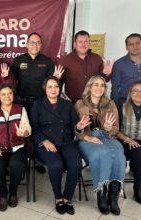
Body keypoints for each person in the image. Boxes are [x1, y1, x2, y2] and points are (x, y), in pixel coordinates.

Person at [30, 76, 85, 215]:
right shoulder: (37, 105)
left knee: (76, 164)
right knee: (56, 165)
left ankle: (67, 197)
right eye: (50, 87)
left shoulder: (67, 104)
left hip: (66, 141)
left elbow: (75, 125)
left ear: (60, 89)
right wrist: (44, 141)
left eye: (56, 86)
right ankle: (58, 197)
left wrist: (79, 127)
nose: (53, 89)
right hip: (45, 142)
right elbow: (33, 127)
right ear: (45, 89)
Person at [11, 32, 63, 174]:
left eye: (37, 42)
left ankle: (36, 158)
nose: (34, 45)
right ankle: (21, 159)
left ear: (41, 45)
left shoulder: (47, 62)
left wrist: (56, 78)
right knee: (21, 130)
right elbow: (12, 82)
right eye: (32, 42)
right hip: (21, 102)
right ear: (27, 44)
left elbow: (52, 84)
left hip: (40, 103)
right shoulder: (18, 61)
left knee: (37, 130)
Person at [75, 75, 125, 215]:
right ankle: (101, 194)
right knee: (102, 153)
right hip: (86, 138)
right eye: (95, 84)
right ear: (90, 87)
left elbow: (115, 128)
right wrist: (83, 133)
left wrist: (108, 128)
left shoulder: (110, 104)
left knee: (119, 153)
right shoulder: (80, 103)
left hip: (107, 136)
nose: (99, 88)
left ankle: (113, 196)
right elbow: (74, 128)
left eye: (102, 85)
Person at [0, 83, 31, 211]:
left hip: (17, 147)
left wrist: (24, 133)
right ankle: (3, 195)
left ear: (13, 95)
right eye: (3, 94)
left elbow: (27, 129)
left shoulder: (20, 109)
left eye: (10, 93)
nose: (7, 96)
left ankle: (13, 192)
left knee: (16, 165)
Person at [60, 30, 112, 102]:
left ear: (89, 43)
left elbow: (105, 79)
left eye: (86, 41)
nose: (83, 44)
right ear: (75, 44)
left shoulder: (97, 58)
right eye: (80, 41)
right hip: (73, 103)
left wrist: (107, 74)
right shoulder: (66, 60)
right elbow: (59, 83)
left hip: (94, 103)